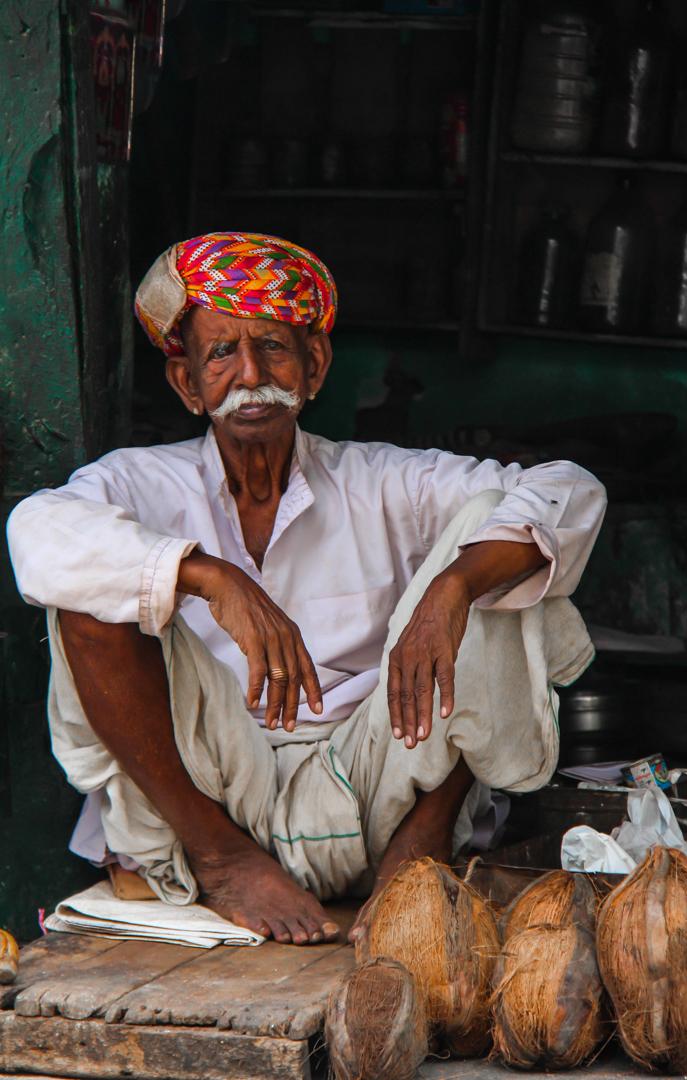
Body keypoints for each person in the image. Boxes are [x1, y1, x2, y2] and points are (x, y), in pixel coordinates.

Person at [7, 232, 606, 947]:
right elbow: (37, 531)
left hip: (378, 788)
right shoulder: (142, 482)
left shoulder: (383, 482)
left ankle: (422, 848)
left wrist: (454, 584)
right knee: (85, 588)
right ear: (187, 384)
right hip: (206, 797)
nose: (251, 372)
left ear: (314, 366)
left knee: (500, 545)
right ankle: (227, 863)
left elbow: (569, 490)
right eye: (222, 352)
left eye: (275, 347)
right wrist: (207, 576)